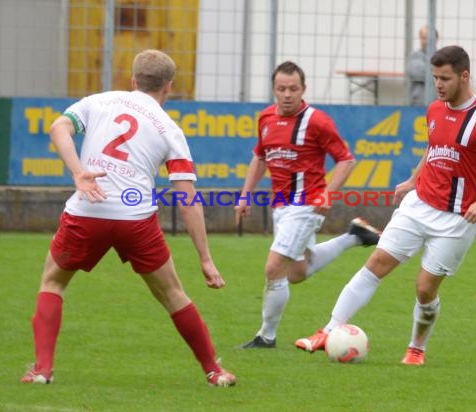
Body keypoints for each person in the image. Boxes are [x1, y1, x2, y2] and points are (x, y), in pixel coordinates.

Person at [21, 50, 236, 387]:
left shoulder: (99, 101)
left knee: (53, 282)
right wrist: (205, 259)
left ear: (133, 80)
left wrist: (79, 172)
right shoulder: (169, 129)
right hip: (135, 219)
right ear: (168, 87)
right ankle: (214, 371)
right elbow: (187, 198)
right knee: (173, 295)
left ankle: (42, 371)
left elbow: (58, 127)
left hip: (88, 209)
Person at [295, 45, 476, 365]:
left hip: (457, 219)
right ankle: (328, 330)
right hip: (419, 204)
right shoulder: (435, 110)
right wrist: (413, 180)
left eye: (445, 78)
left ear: (464, 76)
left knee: (425, 289)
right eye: (435, 77)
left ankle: (416, 348)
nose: (438, 84)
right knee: (376, 263)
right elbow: (434, 147)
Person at [234, 61, 381, 349]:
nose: (287, 94)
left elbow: (346, 160)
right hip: (281, 206)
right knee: (296, 272)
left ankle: (266, 336)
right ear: (274, 89)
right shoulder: (265, 118)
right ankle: (354, 236)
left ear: (304, 89)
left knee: (274, 269)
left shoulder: (317, 121)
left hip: (306, 205)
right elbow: (260, 157)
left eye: (293, 89)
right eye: (281, 89)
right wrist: (245, 194)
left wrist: (327, 193)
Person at [407, 25, 439, 106]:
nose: (424, 41)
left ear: (436, 39)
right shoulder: (414, 55)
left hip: (438, 103)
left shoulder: (442, 56)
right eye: (422, 38)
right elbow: (417, 73)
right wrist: (438, 73)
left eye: (427, 38)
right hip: (418, 103)